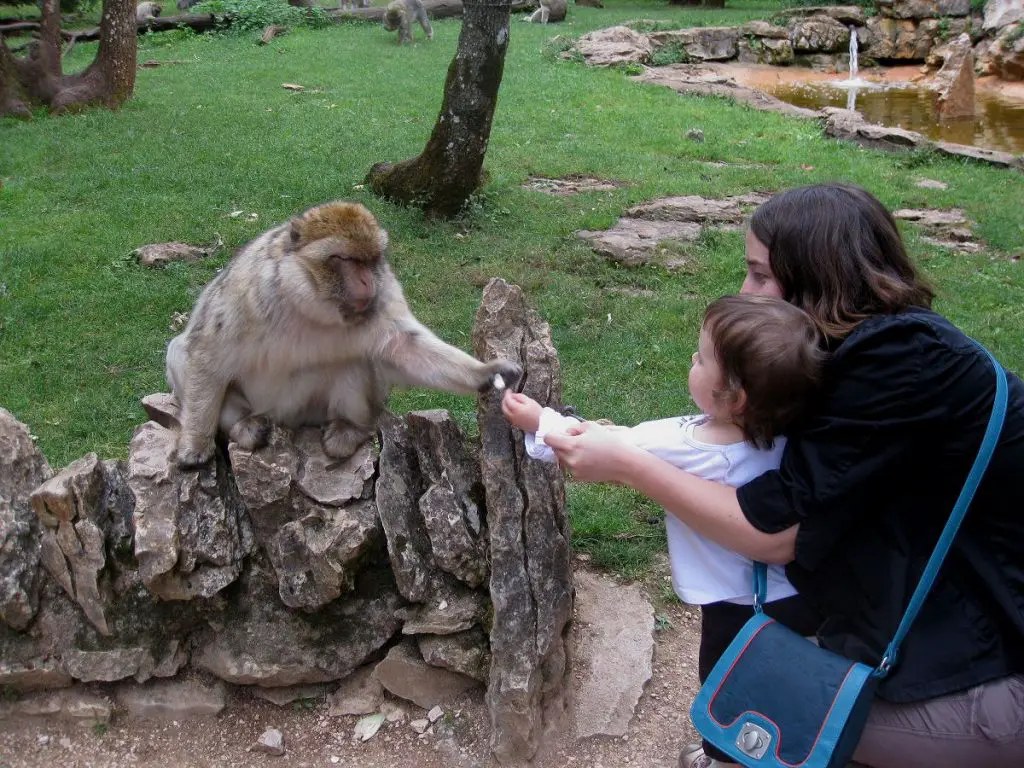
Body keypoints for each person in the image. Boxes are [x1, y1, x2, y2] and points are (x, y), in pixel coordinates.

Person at [542, 183, 1024, 768]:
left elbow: (773, 531)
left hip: (993, 677)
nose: (744, 292)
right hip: (950, 623)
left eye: (760, 276)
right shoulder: (867, 347)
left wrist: (629, 464)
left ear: (822, 281)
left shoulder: (899, 360)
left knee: (751, 705)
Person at [503, 296, 825, 751]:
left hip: (735, 607)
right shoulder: (798, 437)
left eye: (702, 358)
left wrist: (538, 419)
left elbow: (598, 443)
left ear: (735, 397)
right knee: (785, 686)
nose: (692, 359)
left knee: (725, 692)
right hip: (795, 593)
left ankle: (725, 755)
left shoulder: (690, 446)